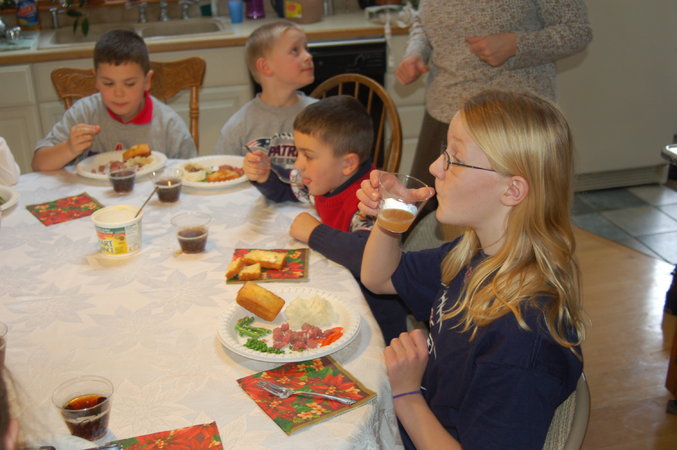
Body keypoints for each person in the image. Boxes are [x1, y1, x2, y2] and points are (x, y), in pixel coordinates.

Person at [356, 90, 586, 448]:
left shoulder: (522, 340)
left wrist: (407, 397)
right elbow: (379, 277)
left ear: (512, 190)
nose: (435, 167)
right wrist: (392, 214)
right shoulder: (473, 257)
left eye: (455, 159)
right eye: (444, 152)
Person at [250, 95, 411, 342]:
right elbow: (287, 188)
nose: (298, 164)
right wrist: (265, 175)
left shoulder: (369, 198)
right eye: (297, 153)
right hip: (341, 299)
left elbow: (365, 254)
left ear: (347, 164)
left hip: (375, 323)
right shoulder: (328, 180)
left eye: (308, 156)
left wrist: (313, 232)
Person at [397, 0, 592, 188]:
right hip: (443, 112)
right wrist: (416, 52)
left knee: (514, 208)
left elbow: (577, 31)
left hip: (509, 125)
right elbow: (423, 20)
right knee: (424, 206)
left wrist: (516, 45)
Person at [32, 30, 196, 172]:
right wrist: (69, 148)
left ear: (147, 81)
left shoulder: (168, 125)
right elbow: (39, 165)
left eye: (129, 84)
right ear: (96, 80)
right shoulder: (84, 113)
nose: (118, 93)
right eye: (108, 83)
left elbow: (189, 173)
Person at [215, 19, 316, 170]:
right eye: (295, 50)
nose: (308, 56)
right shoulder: (240, 125)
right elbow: (222, 172)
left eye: (306, 48)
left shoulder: (320, 116)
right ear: (265, 67)